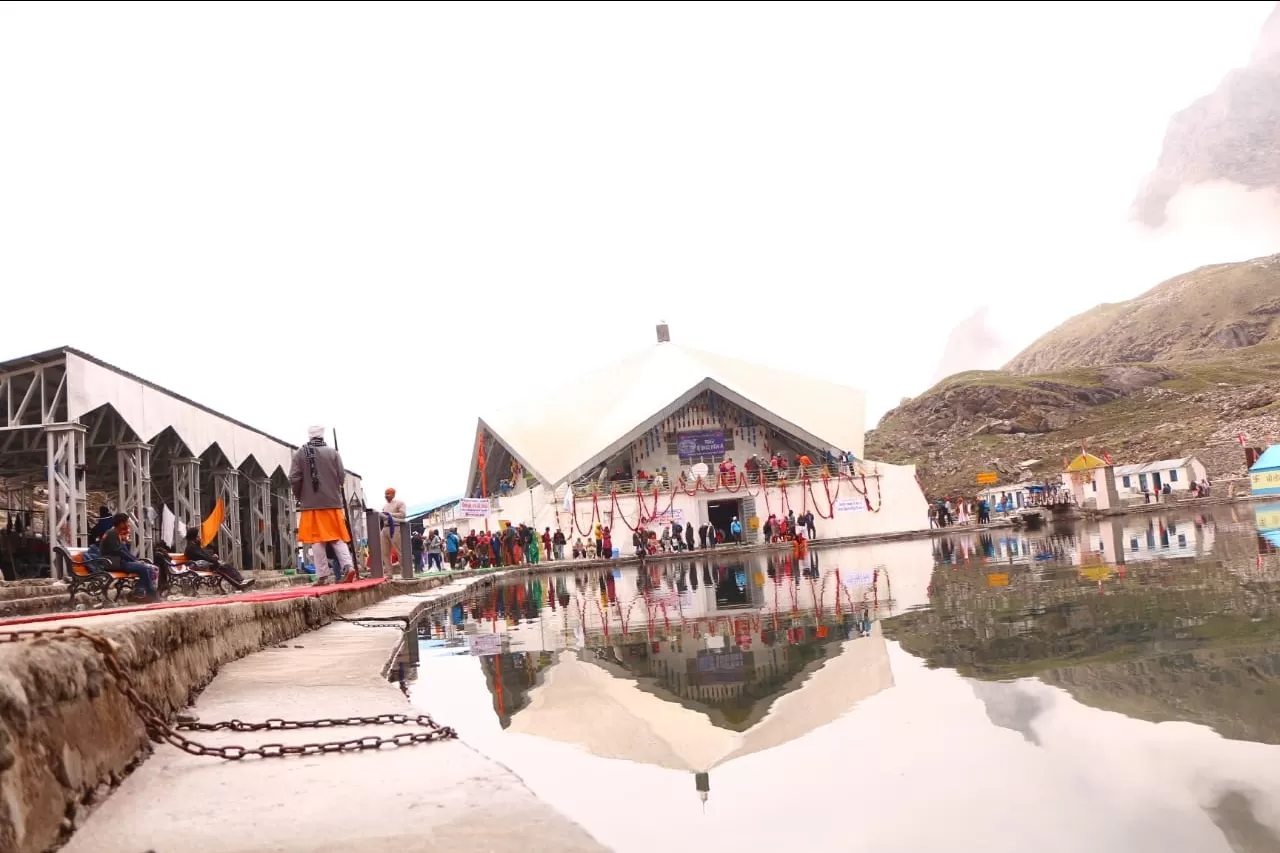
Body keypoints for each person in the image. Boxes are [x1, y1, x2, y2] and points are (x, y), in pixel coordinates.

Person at [289, 426, 354, 586]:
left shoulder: (300, 453)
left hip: (310, 505)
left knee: (317, 540)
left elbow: (294, 478)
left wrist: (300, 495)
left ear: (309, 436)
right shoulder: (333, 453)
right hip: (332, 503)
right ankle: (348, 566)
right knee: (337, 537)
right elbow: (341, 477)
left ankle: (322, 576)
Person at [98, 513, 160, 602]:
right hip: (112, 563)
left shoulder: (116, 533)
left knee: (148, 567)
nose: (128, 524)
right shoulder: (111, 533)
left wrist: (135, 560)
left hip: (119, 562)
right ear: (121, 523)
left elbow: (124, 551)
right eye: (127, 522)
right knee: (145, 568)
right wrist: (134, 561)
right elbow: (119, 551)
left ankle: (143, 593)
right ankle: (145, 594)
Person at [183, 526, 254, 590]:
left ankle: (240, 581)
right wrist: (214, 559)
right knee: (223, 567)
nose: (200, 538)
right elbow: (203, 557)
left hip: (205, 564)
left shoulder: (195, 547)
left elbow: (204, 555)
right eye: (198, 537)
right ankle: (238, 583)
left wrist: (213, 557)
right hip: (200, 566)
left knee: (225, 566)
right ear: (193, 539)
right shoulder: (191, 548)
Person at [380, 487, 407, 574]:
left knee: (399, 550)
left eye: (388, 494)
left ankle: (404, 571)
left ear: (393, 494)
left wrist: (390, 515)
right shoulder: (384, 506)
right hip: (384, 528)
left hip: (395, 527)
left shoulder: (400, 503)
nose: (386, 496)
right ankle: (389, 573)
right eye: (385, 494)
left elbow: (403, 515)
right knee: (384, 552)